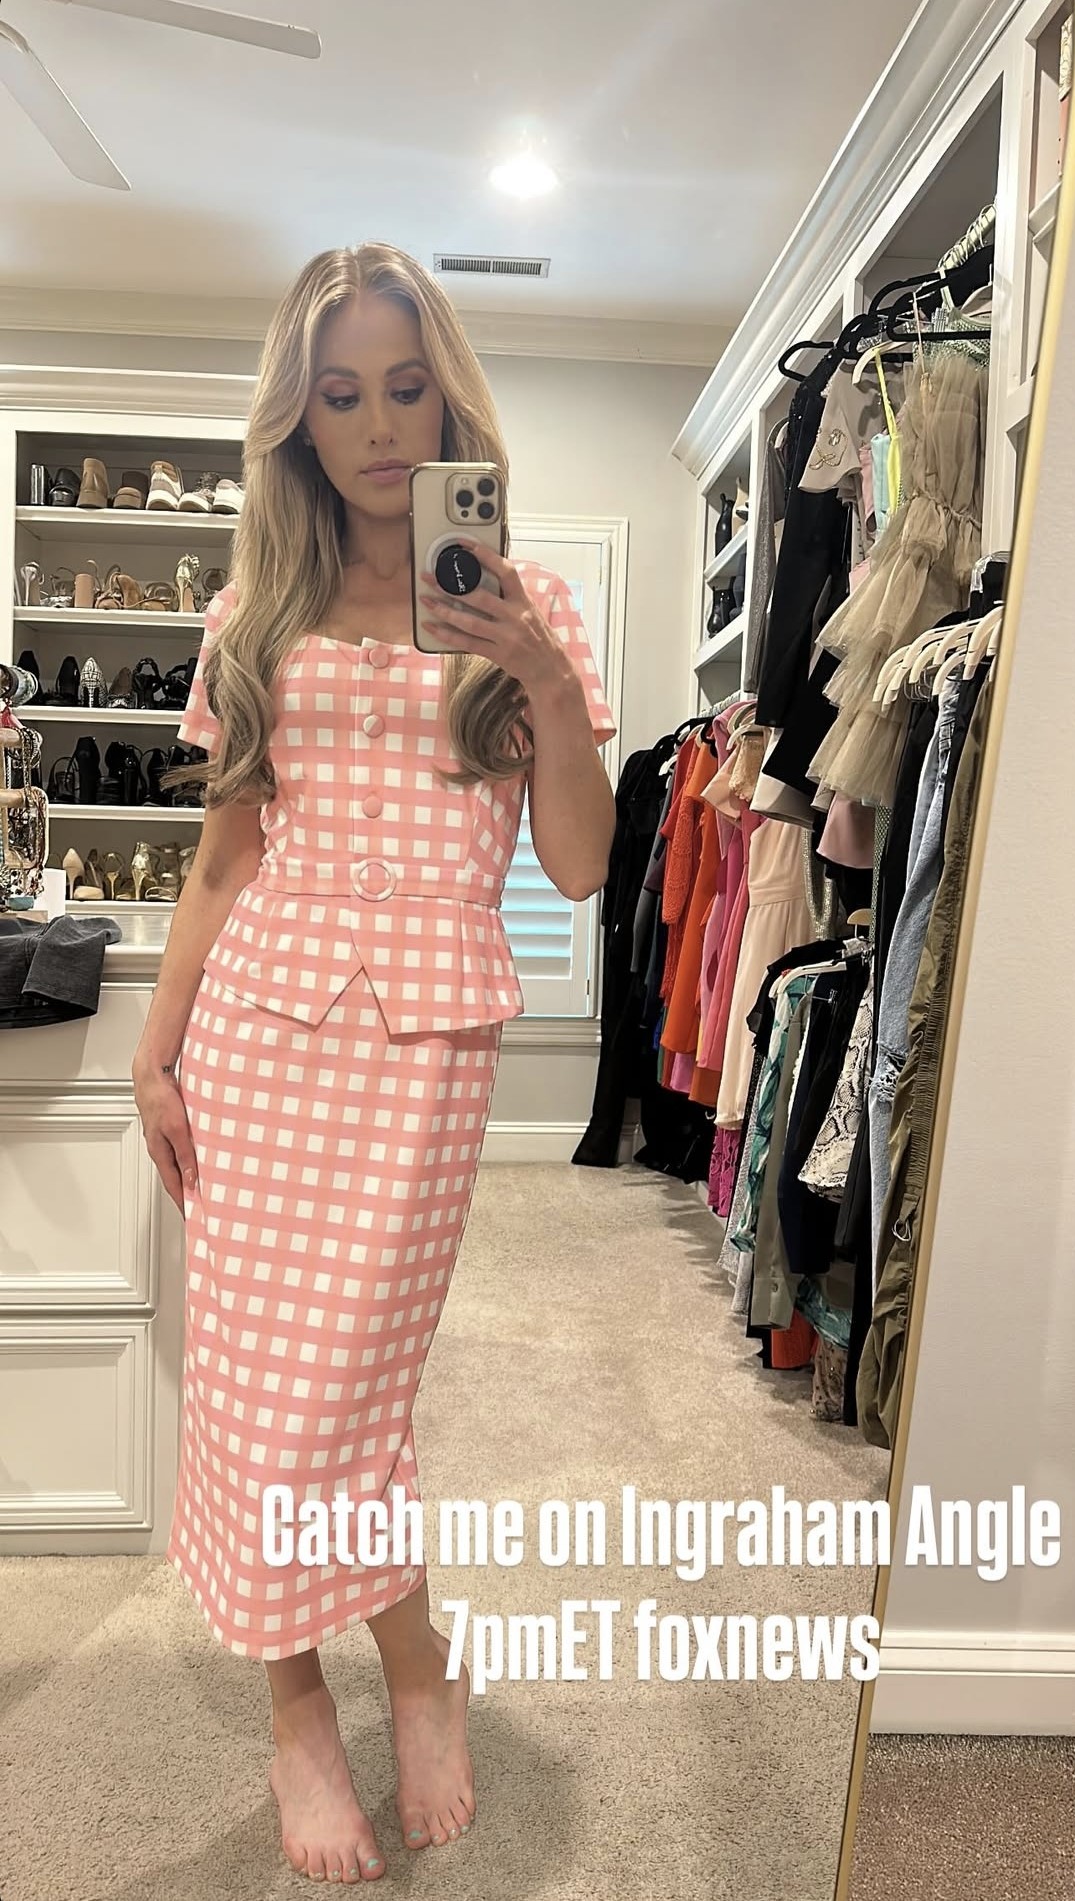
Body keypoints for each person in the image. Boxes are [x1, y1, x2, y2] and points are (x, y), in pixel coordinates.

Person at [132, 241, 618, 1886]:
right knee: (254, 1386)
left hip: (424, 1048)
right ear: (300, 420)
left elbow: (578, 867)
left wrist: (539, 671)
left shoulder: (528, 607)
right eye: (340, 395)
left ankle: (415, 1662)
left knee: (349, 1388)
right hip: (255, 1036)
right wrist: (155, 1057)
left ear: (449, 395)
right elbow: (223, 858)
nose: (380, 427)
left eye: (407, 387)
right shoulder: (251, 611)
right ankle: (299, 1705)